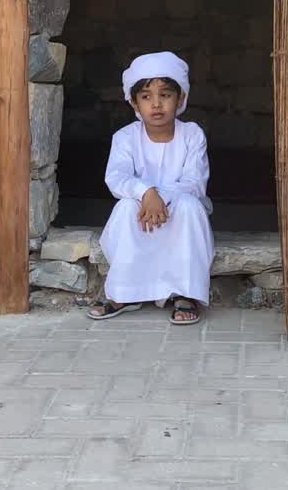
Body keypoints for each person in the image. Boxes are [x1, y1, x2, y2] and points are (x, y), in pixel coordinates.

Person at [89, 51, 215, 325]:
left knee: (191, 207)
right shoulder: (124, 137)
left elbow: (194, 182)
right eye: (146, 97)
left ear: (180, 98)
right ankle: (124, 293)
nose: (156, 104)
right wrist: (146, 193)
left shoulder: (192, 134)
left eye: (165, 95)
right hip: (140, 215)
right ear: (134, 102)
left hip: (180, 214)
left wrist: (159, 197)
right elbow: (117, 178)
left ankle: (185, 293)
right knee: (124, 207)